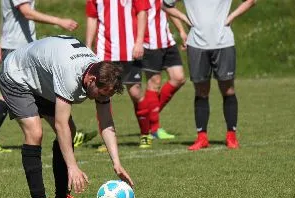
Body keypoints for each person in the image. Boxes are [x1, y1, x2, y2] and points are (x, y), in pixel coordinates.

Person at [0, 35, 134, 198]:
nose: (102, 98)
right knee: (35, 132)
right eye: (101, 94)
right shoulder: (70, 74)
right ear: (91, 80)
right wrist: (72, 167)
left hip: (42, 80)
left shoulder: (102, 77)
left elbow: (106, 123)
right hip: (16, 74)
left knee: (71, 130)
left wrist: (117, 163)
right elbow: (60, 125)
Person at [0, 0, 84, 154]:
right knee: (30, 91)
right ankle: (67, 130)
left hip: (18, 45)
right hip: (18, 47)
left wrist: (2, 42)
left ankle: (67, 130)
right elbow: (26, 12)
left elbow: (8, 17)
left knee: (26, 92)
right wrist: (59, 21)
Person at [163, 0, 257, 150]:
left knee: (228, 90)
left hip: (224, 43)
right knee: (201, 91)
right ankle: (202, 137)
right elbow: (165, 4)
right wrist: (184, 18)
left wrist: (231, 17)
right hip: (196, 44)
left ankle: (231, 136)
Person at [85, 0, 152, 149]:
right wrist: (88, 46)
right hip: (105, 51)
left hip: (130, 50)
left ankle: (145, 134)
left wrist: (140, 41)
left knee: (135, 92)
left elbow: (142, 12)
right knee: (102, 94)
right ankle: (106, 139)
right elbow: (92, 17)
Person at [138, 0, 188, 140]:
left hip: (167, 41)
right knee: (154, 83)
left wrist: (181, 30)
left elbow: (168, 7)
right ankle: (154, 128)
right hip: (149, 42)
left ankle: (149, 117)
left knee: (178, 78)